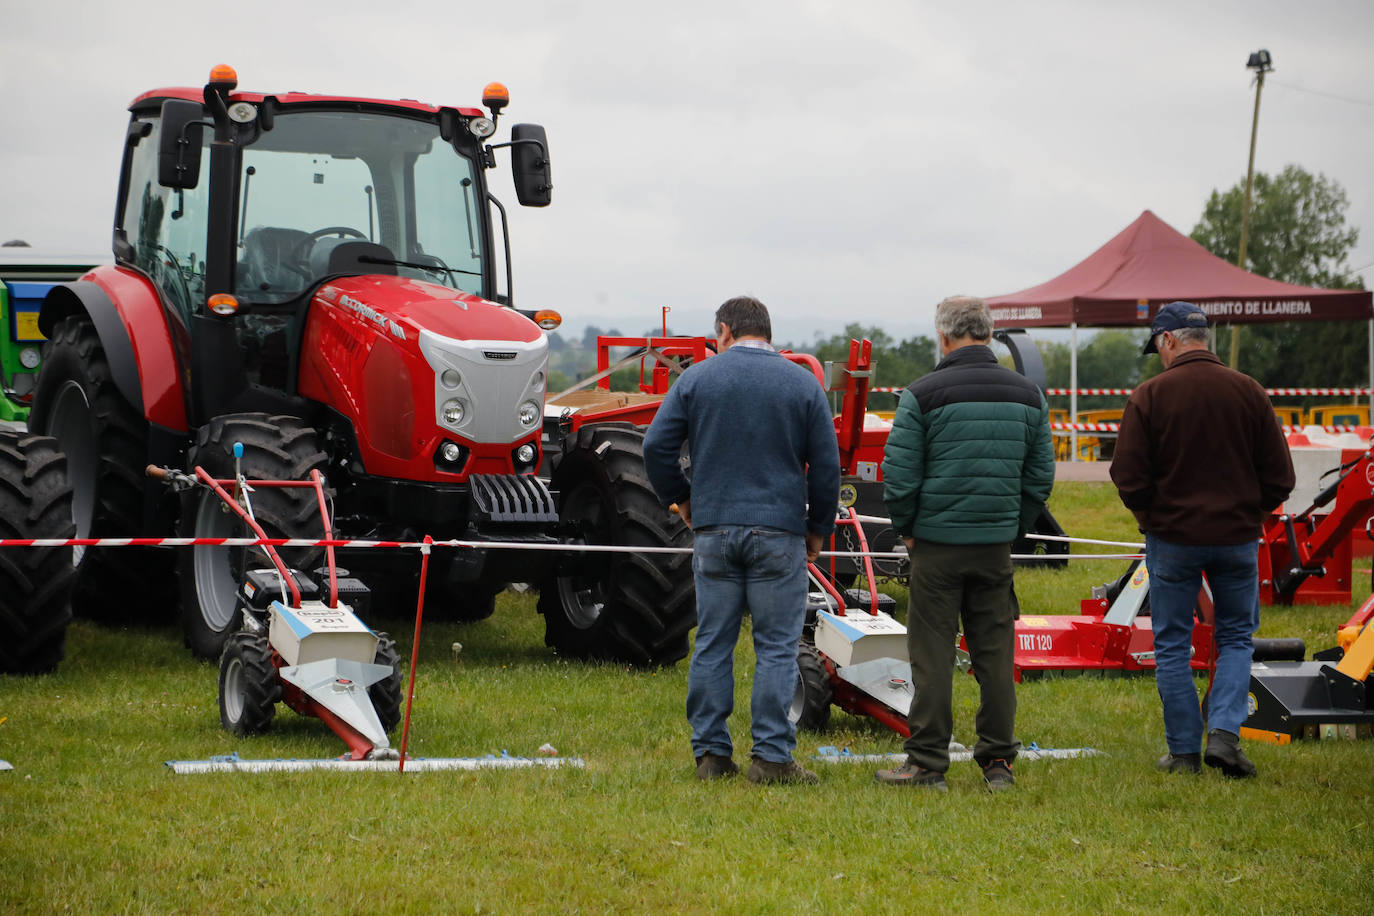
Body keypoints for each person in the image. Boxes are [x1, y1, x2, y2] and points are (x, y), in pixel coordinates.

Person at [643, 295, 840, 785]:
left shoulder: (697, 379)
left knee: (713, 641)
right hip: (779, 532)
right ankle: (772, 758)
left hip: (713, 531)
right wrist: (817, 530)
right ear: (767, 332)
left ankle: (711, 754)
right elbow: (828, 464)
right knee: (776, 646)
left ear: (726, 331)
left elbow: (654, 445)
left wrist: (682, 500)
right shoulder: (803, 383)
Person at [875, 295, 1054, 793]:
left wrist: (909, 529)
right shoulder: (1027, 395)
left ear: (944, 336)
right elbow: (1039, 477)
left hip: (935, 544)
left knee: (931, 655)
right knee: (995, 653)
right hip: (994, 546)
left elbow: (900, 476)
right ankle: (999, 761)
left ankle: (927, 762)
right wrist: (1010, 526)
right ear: (990, 334)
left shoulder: (921, 394)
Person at [1110, 300, 1294, 778]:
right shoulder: (1250, 392)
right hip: (1236, 538)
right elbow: (1280, 477)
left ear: (1169, 340)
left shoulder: (1149, 396)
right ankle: (1226, 738)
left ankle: (1184, 753)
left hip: (1172, 539)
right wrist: (1250, 513)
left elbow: (1127, 475)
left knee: (1173, 643)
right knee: (1236, 638)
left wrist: (1152, 517)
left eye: (1157, 346)